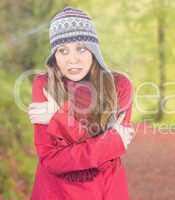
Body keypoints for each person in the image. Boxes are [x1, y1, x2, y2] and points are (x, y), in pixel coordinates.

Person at [27, 7, 134, 200]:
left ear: (94, 50)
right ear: (54, 55)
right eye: (63, 50)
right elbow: (52, 160)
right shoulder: (44, 86)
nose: (72, 59)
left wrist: (56, 118)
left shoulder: (119, 86)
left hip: (105, 191)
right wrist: (108, 142)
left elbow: (112, 154)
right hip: (56, 192)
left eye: (81, 48)